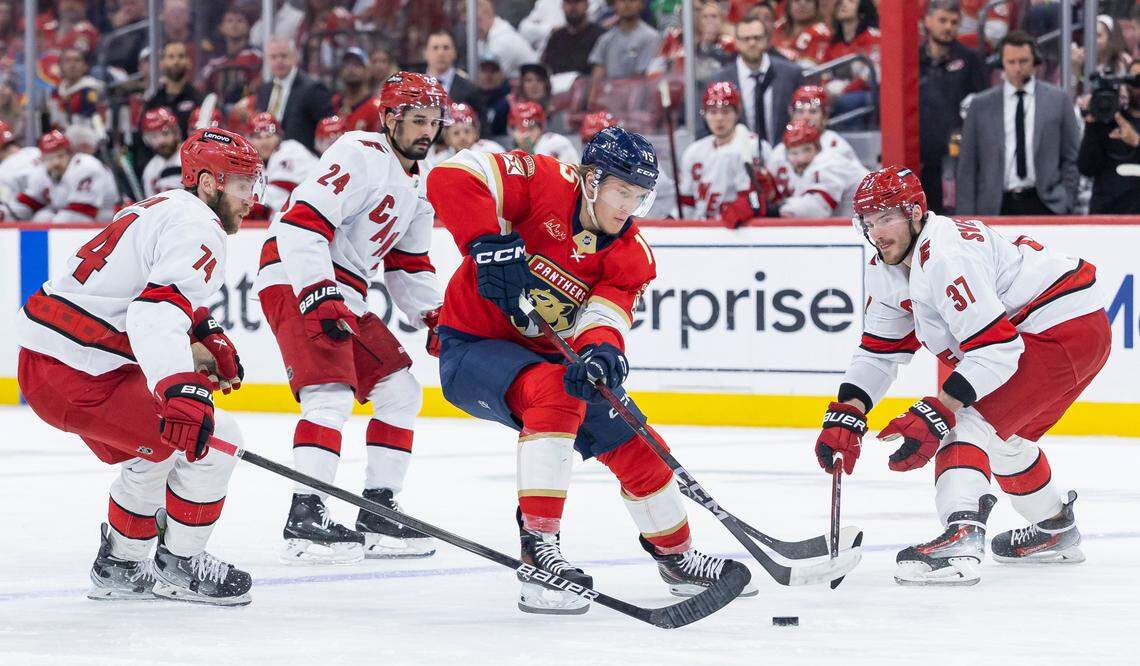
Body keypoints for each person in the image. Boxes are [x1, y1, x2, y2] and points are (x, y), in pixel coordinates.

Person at [426, 125, 757, 615]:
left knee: (637, 438)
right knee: (554, 395)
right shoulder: (540, 180)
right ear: (590, 179)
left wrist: (602, 353)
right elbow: (450, 176)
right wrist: (484, 241)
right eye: (622, 191)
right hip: (472, 348)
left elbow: (605, 316)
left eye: (640, 196)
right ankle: (539, 553)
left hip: (550, 357)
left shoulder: (631, 253)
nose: (628, 207)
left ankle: (677, 557)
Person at [814, 166, 1108, 585]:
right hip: (1067, 328)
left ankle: (961, 537)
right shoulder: (889, 265)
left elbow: (997, 349)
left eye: (886, 218)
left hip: (1056, 328)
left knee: (964, 424)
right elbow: (880, 351)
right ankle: (1055, 529)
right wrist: (848, 410)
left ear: (916, 212)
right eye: (869, 221)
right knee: (1006, 443)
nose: (877, 232)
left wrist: (941, 408)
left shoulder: (947, 255)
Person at [14, 128, 263, 604]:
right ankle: (182, 564)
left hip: (57, 361)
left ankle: (122, 563)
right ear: (209, 183)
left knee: (159, 446)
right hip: (81, 372)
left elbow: (149, 290)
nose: (251, 198)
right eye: (241, 185)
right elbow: (155, 310)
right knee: (218, 438)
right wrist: (177, 387)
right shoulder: (200, 227)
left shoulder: (166, 205)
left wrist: (203, 331)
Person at [254, 72, 447, 563]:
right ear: (389, 118)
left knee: (400, 391)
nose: (427, 131)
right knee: (330, 394)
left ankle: (377, 509)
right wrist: (316, 290)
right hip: (298, 277)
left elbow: (409, 266)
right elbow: (302, 222)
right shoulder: (359, 152)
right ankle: (306, 514)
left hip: (347, 292)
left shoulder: (418, 187)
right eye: (416, 120)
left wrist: (436, 316)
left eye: (433, 121)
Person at [957, 31, 1080, 216]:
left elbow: (1072, 156)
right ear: (1001, 64)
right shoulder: (980, 105)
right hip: (995, 207)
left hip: (1047, 204)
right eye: (1011, 62)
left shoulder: (1058, 100)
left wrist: (1066, 198)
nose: (1017, 68)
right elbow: (967, 167)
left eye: (1023, 61)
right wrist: (965, 218)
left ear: (1035, 62)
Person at [918, 0, 986, 214]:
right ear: (927, 21)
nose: (948, 27)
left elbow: (983, 105)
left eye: (954, 22)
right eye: (943, 20)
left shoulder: (971, 60)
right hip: (921, 157)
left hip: (960, 158)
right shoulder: (912, 60)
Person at [679, 81, 768, 224]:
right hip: (699, 228)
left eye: (725, 111)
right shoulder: (694, 151)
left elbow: (756, 199)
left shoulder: (751, 146)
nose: (719, 118)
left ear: (737, 113)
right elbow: (687, 201)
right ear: (704, 114)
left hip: (736, 227)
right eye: (713, 112)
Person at [708, 15, 803, 145]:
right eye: (746, 39)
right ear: (736, 42)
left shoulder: (791, 73)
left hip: (786, 155)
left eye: (757, 38)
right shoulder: (720, 80)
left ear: (767, 40)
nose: (752, 43)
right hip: (739, 157)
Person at [4, 130, 119, 222]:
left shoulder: (86, 167)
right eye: (50, 158)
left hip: (105, 222)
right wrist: (3, 214)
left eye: (60, 156)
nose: (56, 162)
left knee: (46, 219)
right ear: (42, 159)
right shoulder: (42, 173)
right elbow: (27, 204)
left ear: (69, 154)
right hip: (71, 218)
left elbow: (82, 213)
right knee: (42, 217)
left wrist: (47, 229)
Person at [1077, 60, 1140, 213]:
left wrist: (1137, 141)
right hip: (1107, 218)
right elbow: (1086, 168)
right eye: (1135, 81)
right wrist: (1092, 125)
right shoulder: (1108, 120)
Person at [772, 119, 867, 217]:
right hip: (865, 221)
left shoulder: (827, 163)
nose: (801, 158)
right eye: (794, 153)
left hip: (876, 218)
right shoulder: (806, 168)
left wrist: (776, 209)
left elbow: (818, 209)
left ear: (818, 147)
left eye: (807, 150)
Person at [255, 38, 335, 153]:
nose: (279, 61)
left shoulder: (313, 88)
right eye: (273, 57)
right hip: (270, 161)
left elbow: (327, 130)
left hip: (303, 161)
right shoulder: (264, 89)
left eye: (283, 56)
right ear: (267, 60)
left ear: (295, 57)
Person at [246, 112, 319, 220]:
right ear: (249, 139)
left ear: (279, 136)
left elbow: (280, 195)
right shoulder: (246, 160)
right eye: (258, 137)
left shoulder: (293, 151)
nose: (264, 142)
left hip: (303, 218)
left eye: (269, 136)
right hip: (267, 223)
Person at [768, 85, 858, 165]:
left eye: (813, 111)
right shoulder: (780, 152)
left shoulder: (838, 148)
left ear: (824, 116)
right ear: (792, 115)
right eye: (800, 111)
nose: (805, 117)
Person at [200, 8, 263, 105]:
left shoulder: (258, 57)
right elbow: (204, 89)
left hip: (248, 109)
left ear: (248, 27)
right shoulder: (214, 62)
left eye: (240, 20)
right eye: (229, 21)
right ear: (221, 28)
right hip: (218, 111)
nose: (234, 25)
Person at [423, 102, 506, 173]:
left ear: (476, 133)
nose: (462, 137)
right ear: (447, 138)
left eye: (467, 131)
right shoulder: (440, 161)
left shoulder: (491, 151)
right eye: (456, 133)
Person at [144, 41, 204, 137]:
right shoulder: (153, 103)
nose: (176, 61)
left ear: (188, 61)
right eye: (171, 57)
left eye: (181, 56)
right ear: (162, 63)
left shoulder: (200, 100)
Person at [540, 0, 607, 76]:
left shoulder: (601, 36)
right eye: (569, 3)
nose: (573, 7)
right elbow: (544, 68)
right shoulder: (556, 38)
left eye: (577, 2)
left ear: (587, 5)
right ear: (562, 6)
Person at [476, 0, 539, 79]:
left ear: (489, 14)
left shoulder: (503, 40)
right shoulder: (482, 38)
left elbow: (489, 80)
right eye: (466, 24)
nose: (474, 27)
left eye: (478, 20)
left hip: (532, 85)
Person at [422, 30, 481, 111]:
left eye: (446, 48)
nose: (440, 53)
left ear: (454, 52)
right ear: (425, 53)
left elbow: (480, 122)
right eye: (435, 48)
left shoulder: (469, 89)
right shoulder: (414, 88)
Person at [48, 47, 104, 129]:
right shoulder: (56, 91)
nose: (72, 65)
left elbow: (91, 113)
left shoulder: (90, 88)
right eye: (67, 61)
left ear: (85, 66)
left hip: (86, 133)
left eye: (77, 60)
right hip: (61, 134)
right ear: (60, 66)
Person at [508, 101, 580, 164]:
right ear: (512, 131)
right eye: (521, 129)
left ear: (540, 128)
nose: (526, 134)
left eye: (531, 129)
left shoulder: (556, 143)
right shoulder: (511, 156)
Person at [332, 47, 382, 133]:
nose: (351, 69)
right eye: (347, 64)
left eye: (357, 65)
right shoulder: (334, 102)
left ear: (368, 71)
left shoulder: (375, 108)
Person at [140, 107, 183, 198]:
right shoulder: (150, 170)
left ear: (175, 132)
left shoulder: (192, 157)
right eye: (153, 137)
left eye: (165, 133)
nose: (160, 141)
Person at [772, 0, 833, 65]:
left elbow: (815, 67)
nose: (802, 4)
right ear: (789, 5)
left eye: (808, 1)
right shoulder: (778, 27)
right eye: (797, 1)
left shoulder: (821, 32)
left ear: (816, 6)